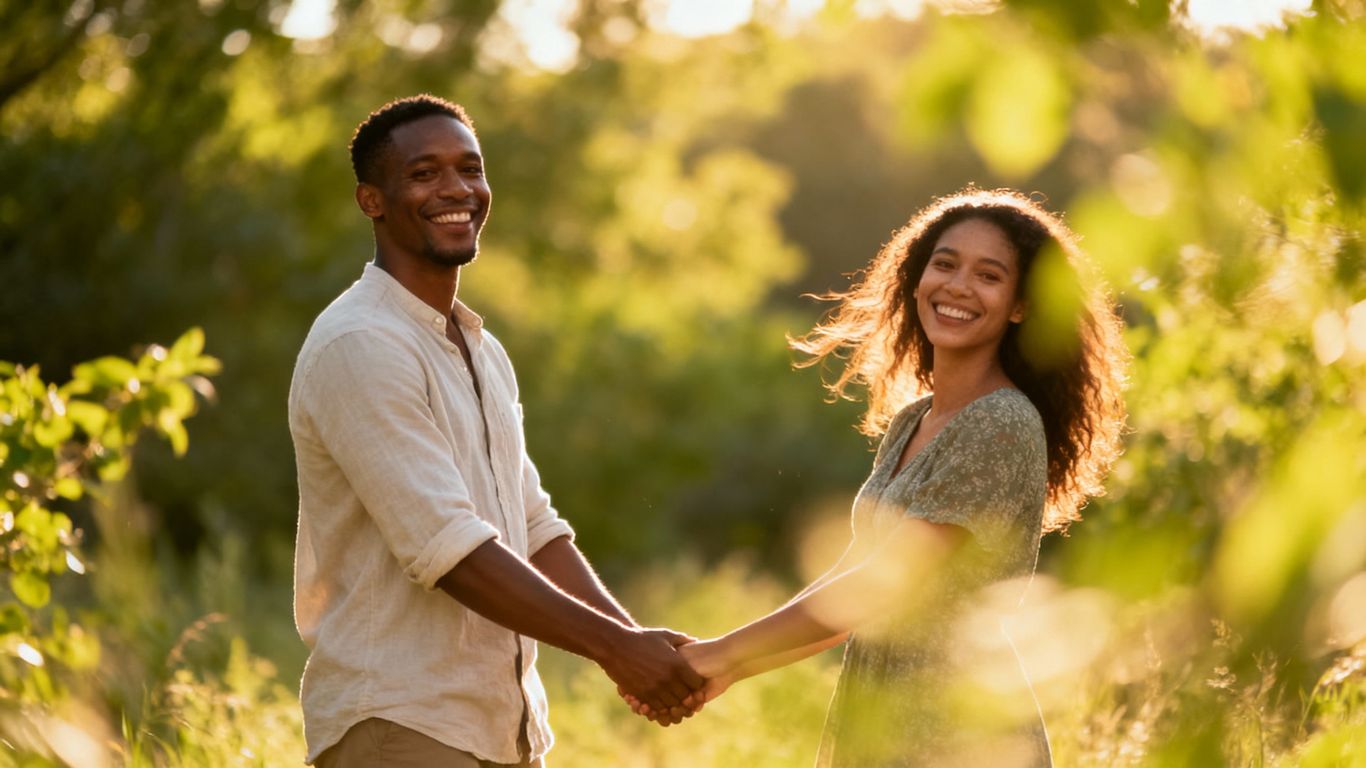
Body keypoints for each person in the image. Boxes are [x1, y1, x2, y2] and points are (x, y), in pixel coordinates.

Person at [630, 187, 1128, 766]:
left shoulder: (1003, 422)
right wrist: (728, 670)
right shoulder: (914, 420)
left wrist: (715, 654)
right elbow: (847, 590)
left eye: (989, 276)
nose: (959, 286)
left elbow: (882, 584)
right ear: (917, 278)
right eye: (944, 264)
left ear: (1020, 305)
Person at [288, 94, 703, 768]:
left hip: (501, 731)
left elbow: (532, 527)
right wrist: (618, 650)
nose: (457, 190)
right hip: (400, 726)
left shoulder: (480, 347)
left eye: (470, 169)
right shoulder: (360, 343)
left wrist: (635, 642)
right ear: (372, 200)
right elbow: (447, 547)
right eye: (424, 174)